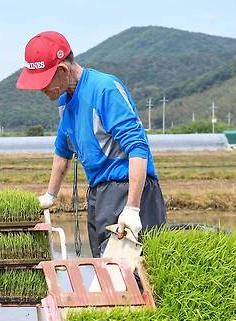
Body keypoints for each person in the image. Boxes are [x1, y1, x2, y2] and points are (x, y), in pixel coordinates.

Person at [15, 31, 166, 257]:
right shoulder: (66, 102)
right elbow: (62, 150)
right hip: (99, 193)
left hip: (127, 188)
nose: (41, 89)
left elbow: (138, 147)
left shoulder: (104, 90)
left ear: (62, 70)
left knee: (131, 273)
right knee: (103, 265)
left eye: (43, 82)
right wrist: (50, 195)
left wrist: (132, 208)